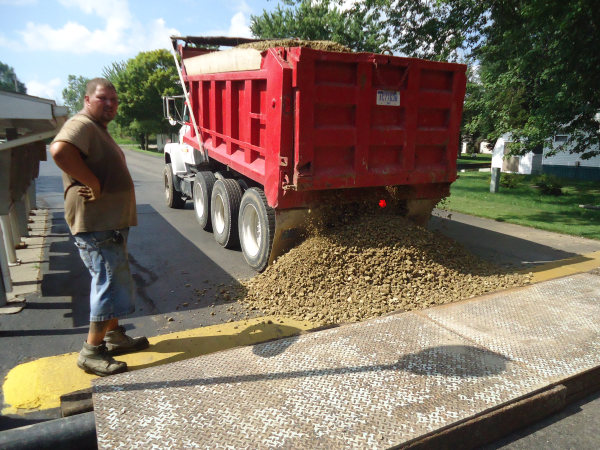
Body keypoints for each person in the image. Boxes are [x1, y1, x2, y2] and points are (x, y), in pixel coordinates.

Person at [50, 78, 148, 376]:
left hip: (107, 223)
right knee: (108, 282)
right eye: (103, 98)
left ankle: (114, 336)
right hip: (97, 223)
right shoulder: (82, 125)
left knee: (112, 277)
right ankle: (91, 352)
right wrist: (92, 183)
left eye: (114, 100)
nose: (110, 104)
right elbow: (59, 150)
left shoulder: (96, 128)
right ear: (87, 99)